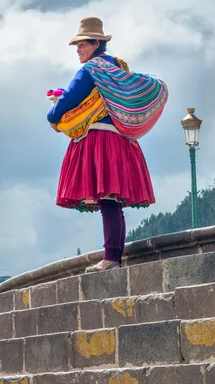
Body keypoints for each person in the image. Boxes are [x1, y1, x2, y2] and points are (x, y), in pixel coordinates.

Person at [47, 17, 156, 272]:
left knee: (107, 200)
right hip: (121, 139)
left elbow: (70, 98)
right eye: (76, 45)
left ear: (97, 43)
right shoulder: (118, 67)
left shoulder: (90, 70)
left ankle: (110, 259)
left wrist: (52, 116)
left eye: (82, 44)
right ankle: (114, 257)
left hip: (100, 140)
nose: (78, 50)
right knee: (113, 202)